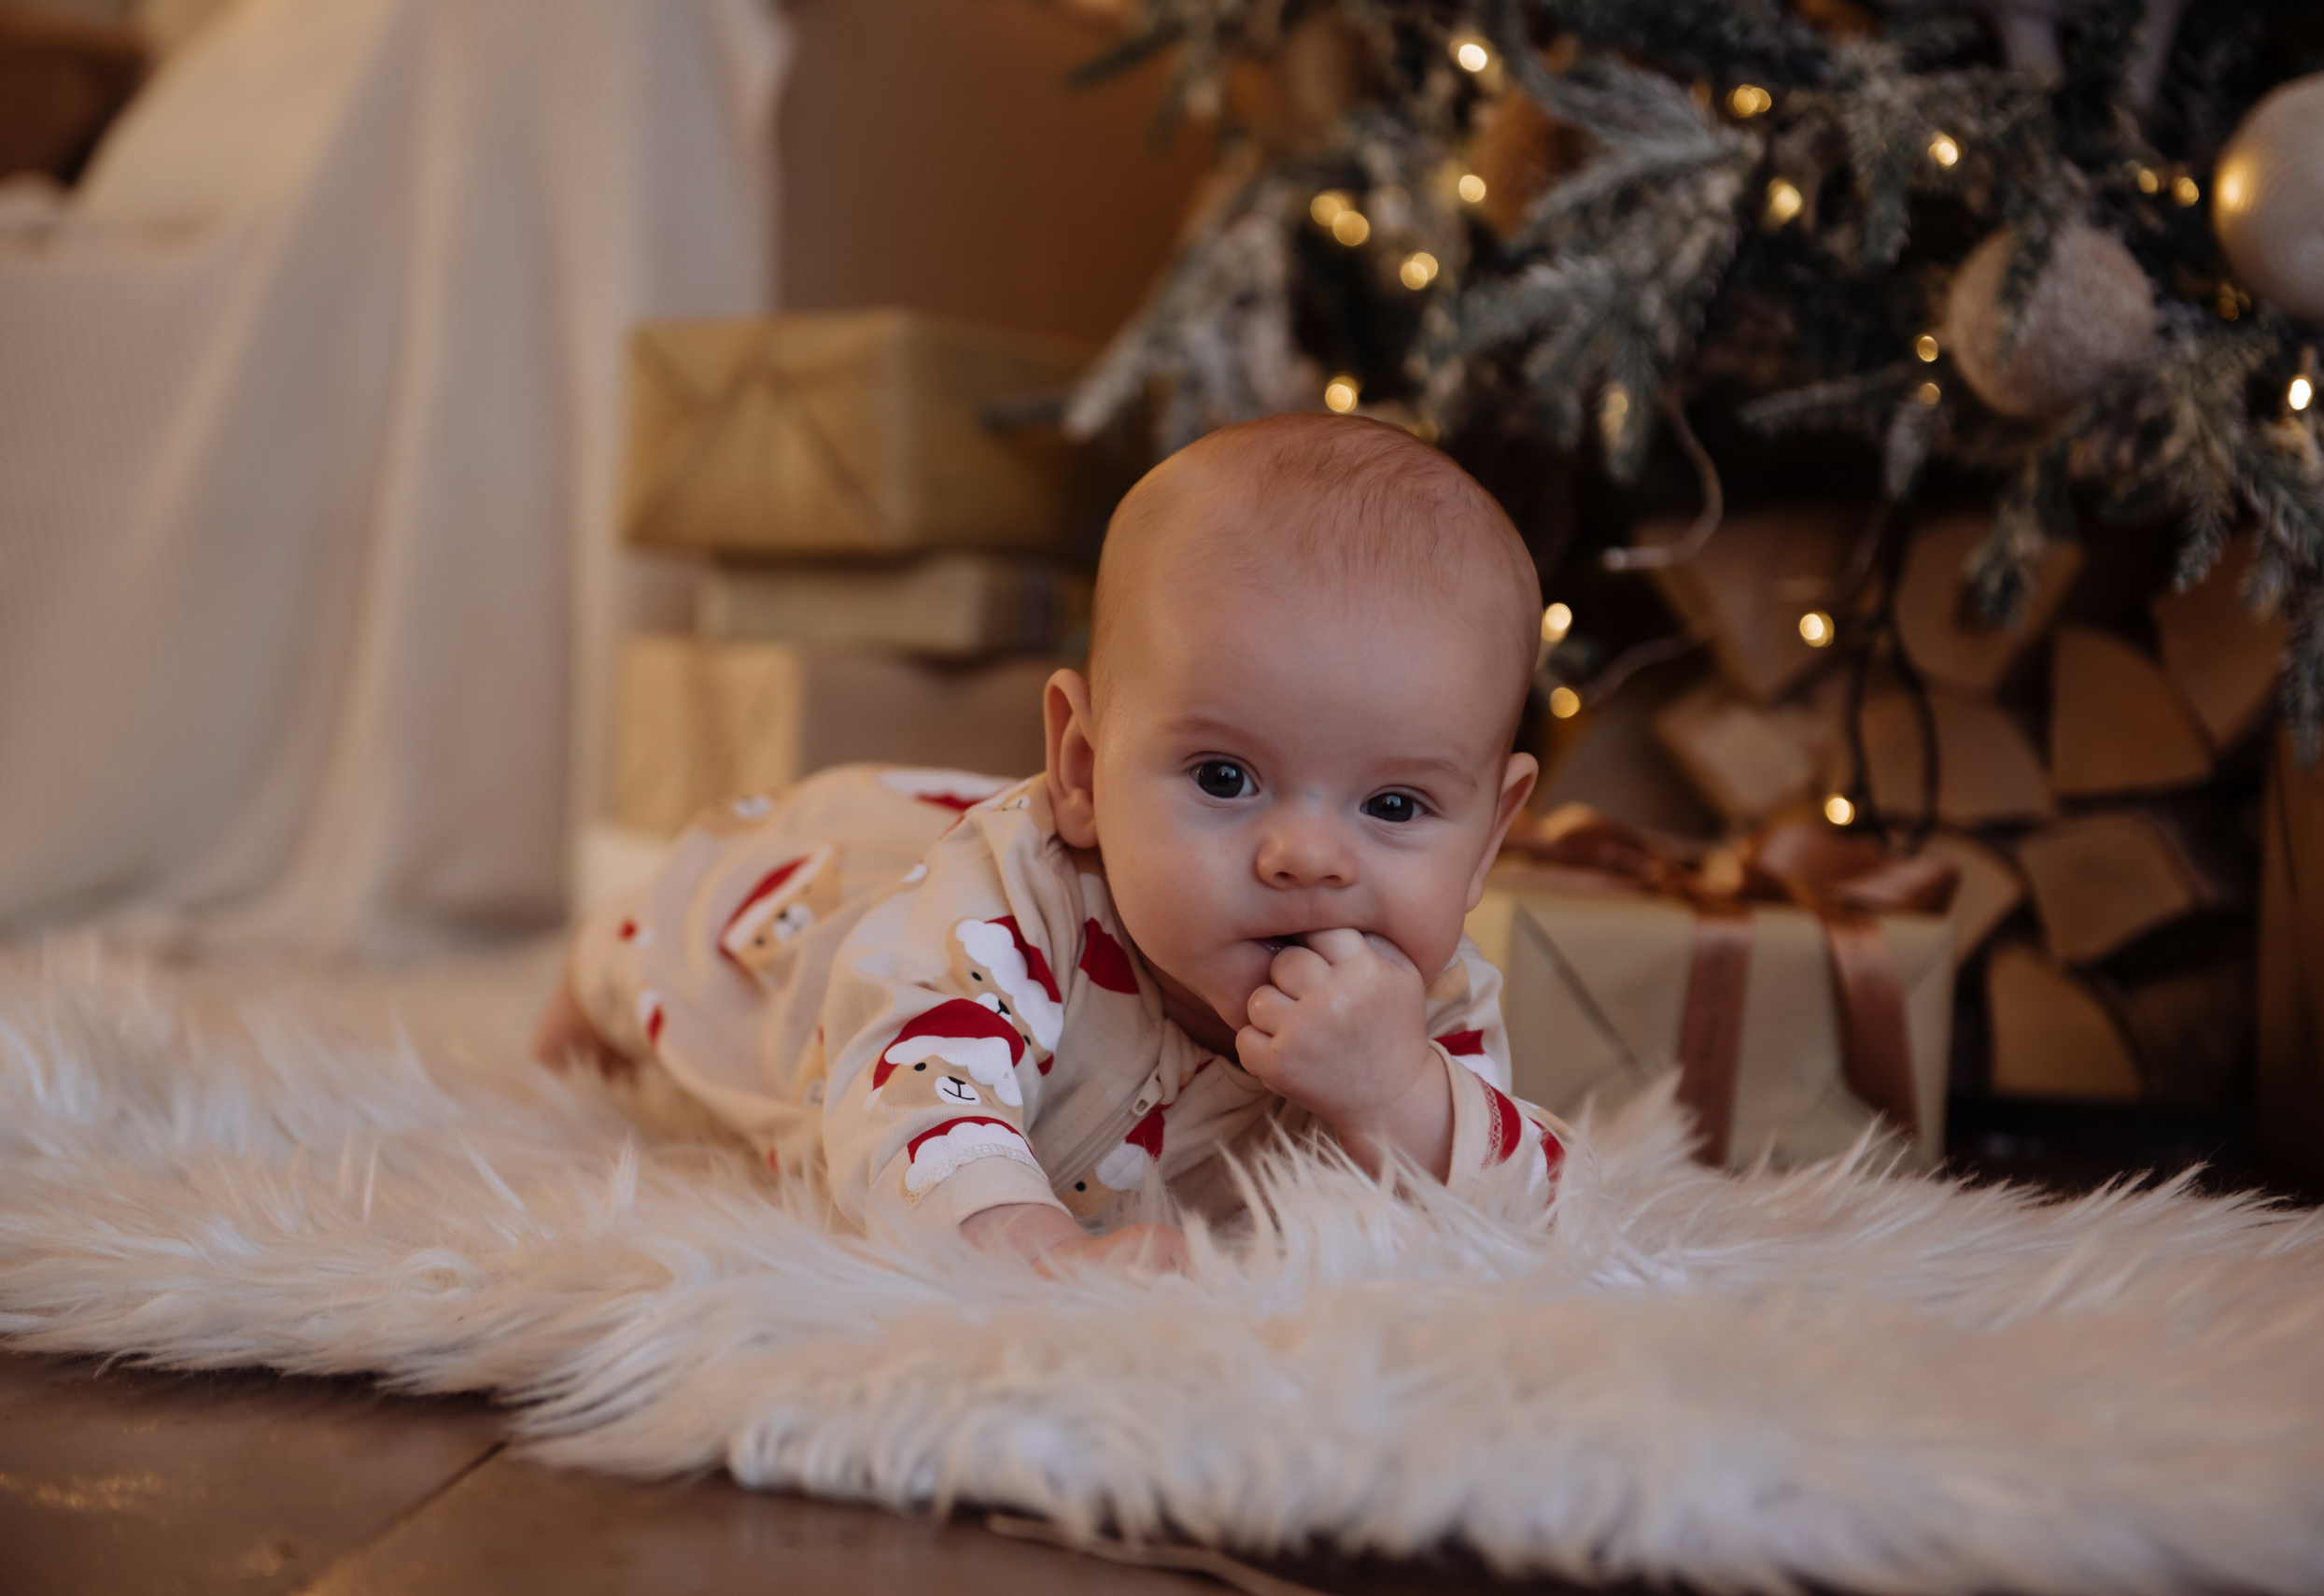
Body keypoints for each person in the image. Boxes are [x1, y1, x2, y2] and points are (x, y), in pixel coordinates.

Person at [534, 413, 1569, 1274]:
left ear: (1487, 837)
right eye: (1224, 777)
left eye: (1393, 806)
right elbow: (916, 1091)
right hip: (826, 924)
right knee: (695, 939)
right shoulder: (1007, 908)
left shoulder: (1421, 1008)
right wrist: (1032, 1249)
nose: (1308, 857)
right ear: (1081, 766)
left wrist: (1398, 1096)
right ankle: (599, 958)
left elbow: (1534, 1213)